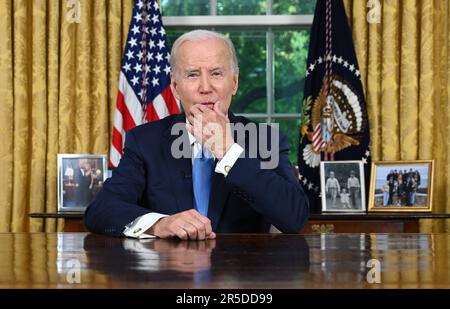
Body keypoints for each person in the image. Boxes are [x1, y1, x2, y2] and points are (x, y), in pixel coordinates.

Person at [84, 30, 309, 240]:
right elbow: (102, 210)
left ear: (235, 82)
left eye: (216, 73)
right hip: (169, 275)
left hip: (241, 275)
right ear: (175, 86)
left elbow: (294, 217)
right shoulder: (144, 141)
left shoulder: (265, 140)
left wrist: (229, 152)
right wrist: (160, 224)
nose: (205, 87)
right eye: (192, 75)